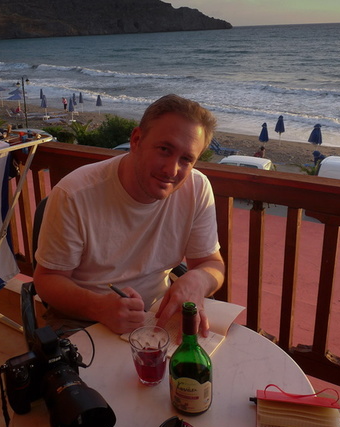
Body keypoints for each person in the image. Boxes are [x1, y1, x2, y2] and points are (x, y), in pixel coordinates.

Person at [33, 94, 225, 337]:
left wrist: (199, 281)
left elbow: (212, 264)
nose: (171, 170)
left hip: (157, 319)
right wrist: (99, 308)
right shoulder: (74, 194)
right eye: (165, 149)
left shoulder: (197, 188)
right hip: (82, 321)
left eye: (186, 159)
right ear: (136, 140)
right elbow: (47, 280)